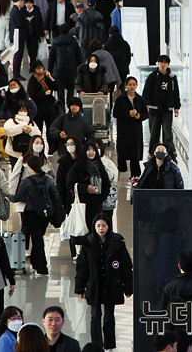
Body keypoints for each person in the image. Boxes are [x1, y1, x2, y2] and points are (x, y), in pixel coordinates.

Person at [75, 213, 133, 350]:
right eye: (98, 226)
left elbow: (125, 267)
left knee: (109, 317)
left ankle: (109, 344)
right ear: (94, 226)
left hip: (111, 285)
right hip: (94, 285)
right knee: (95, 316)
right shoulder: (88, 244)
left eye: (104, 226)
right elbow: (82, 268)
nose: (101, 228)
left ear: (109, 226)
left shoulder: (117, 244)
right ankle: (96, 345)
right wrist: (80, 288)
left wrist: (128, 287)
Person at [10, 156, 60, 275]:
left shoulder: (27, 181)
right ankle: (36, 263)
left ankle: (41, 267)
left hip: (30, 213)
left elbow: (17, 197)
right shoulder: (47, 180)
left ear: (30, 167)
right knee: (38, 237)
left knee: (35, 239)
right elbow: (55, 194)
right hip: (44, 214)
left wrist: (9, 197)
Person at [66, 141, 111, 239]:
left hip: (96, 205)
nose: (91, 152)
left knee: (96, 231)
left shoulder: (100, 167)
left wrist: (101, 197)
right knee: (84, 232)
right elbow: (70, 183)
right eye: (88, 150)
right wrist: (85, 188)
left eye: (94, 150)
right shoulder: (78, 167)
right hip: (83, 204)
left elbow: (106, 184)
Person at [142, 55, 181, 155]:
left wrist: (176, 107)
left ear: (168, 64)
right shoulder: (152, 76)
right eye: (161, 62)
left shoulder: (172, 78)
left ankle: (169, 151)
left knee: (167, 131)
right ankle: (153, 151)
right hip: (154, 109)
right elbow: (146, 91)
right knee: (154, 131)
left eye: (165, 62)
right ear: (158, 63)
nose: (163, 64)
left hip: (167, 109)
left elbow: (176, 92)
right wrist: (146, 105)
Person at [113, 76, 149, 181]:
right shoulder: (121, 99)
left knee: (135, 152)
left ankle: (136, 175)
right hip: (124, 129)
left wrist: (139, 116)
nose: (132, 87)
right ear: (126, 86)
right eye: (130, 85)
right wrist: (127, 114)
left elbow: (145, 114)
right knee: (123, 150)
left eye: (134, 84)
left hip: (135, 129)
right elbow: (115, 113)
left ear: (136, 86)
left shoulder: (140, 99)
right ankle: (121, 171)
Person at [48, 23, 83, 106]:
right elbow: (79, 58)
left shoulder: (55, 42)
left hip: (58, 73)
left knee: (60, 95)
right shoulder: (74, 42)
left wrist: (50, 72)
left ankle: (61, 112)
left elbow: (51, 59)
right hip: (71, 72)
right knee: (71, 92)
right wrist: (80, 70)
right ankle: (70, 111)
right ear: (69, 31)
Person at [26, 60, 59, 133]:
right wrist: (44, 94)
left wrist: (51, 78)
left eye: (41, 68)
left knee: (50, 129)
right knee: (38, 130)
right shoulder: (32, 80)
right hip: (38, 109)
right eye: (38, 69)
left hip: (49, 108)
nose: (40, 70)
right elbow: (32, 95)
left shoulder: (46, 77)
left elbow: (56, 87)